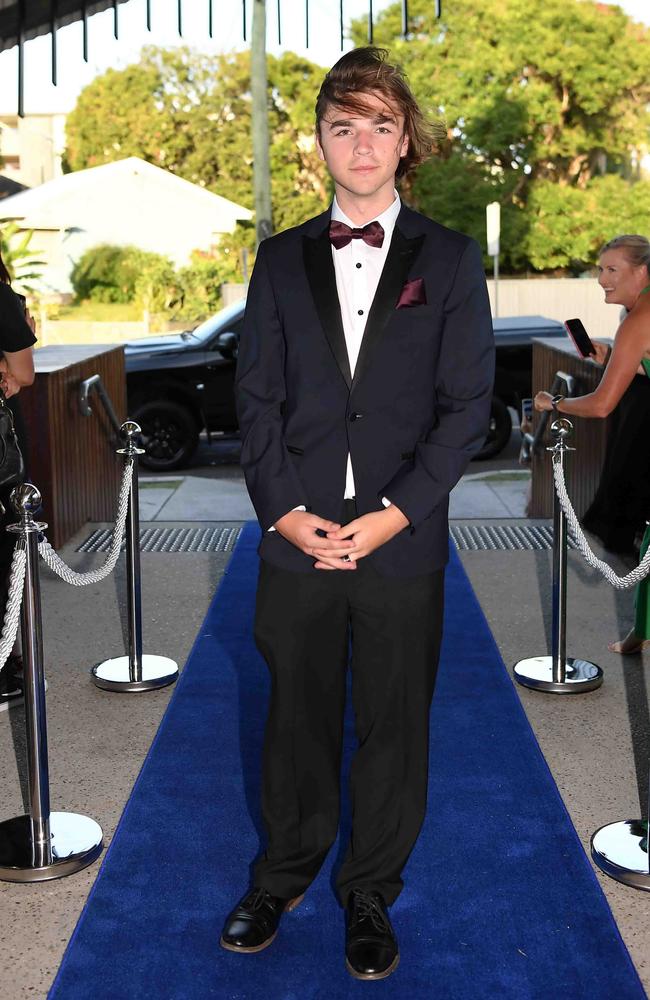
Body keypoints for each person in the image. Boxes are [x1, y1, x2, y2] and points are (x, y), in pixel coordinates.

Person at [221, 47, 494, 980]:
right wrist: (283, 511)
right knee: (292, 717)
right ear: (322, 143)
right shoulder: (277, 259)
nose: (363, 142)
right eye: (345, 125)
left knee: (392, 721)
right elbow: (253, 400)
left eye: (381, 123)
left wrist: (396, 516)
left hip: (399, 537)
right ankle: (281, 874)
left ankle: (371, 887)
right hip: (296, 536)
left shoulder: (451, 260)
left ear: (406, 137)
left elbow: (467, 410)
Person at [534, 234, 650, 655]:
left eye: (612, 269)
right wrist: (615, 360)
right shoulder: (638, 314)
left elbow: (601, 405)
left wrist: (555, 402)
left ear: (642, 271)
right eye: (600, 269)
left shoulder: (639, 317)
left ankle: (640, 633)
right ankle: (640, 633)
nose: (602, 279)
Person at [0, 251, 36, 710]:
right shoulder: (4, 300)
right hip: (2, 456)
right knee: (8, 550)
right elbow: (23, 373)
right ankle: (5, 669)